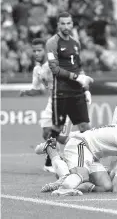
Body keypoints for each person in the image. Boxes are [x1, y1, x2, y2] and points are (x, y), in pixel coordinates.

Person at [50, 118, 117, 196]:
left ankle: (76, 182)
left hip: (91, 154)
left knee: (107, 187)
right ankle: (62, 185)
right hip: (81, 145)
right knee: (83, 176)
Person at [20, 38, 73, 174]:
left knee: (57, 135)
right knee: (46, 133)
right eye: (34, 51)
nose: (36, 53)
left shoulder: (55, 63)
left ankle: (54, 160)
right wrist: (26, 92)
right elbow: (37, 89)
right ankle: (58, 155)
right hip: (52, 101)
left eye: (39, 50)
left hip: (65, 100)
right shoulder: (37, 69)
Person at [45, 12, 93, 144]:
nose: (66, 26)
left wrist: (85, 87)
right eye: (63, 23)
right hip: (61, 92)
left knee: (85, 127)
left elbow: (79, 66)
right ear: (58, 25)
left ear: (72, 24)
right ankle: (49, 162)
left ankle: (90, 160)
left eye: (68, 23)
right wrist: (76, 77)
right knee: (57, 128)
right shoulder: (52, 42)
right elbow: (54, 69)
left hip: (77, 92)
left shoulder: (76, 42)